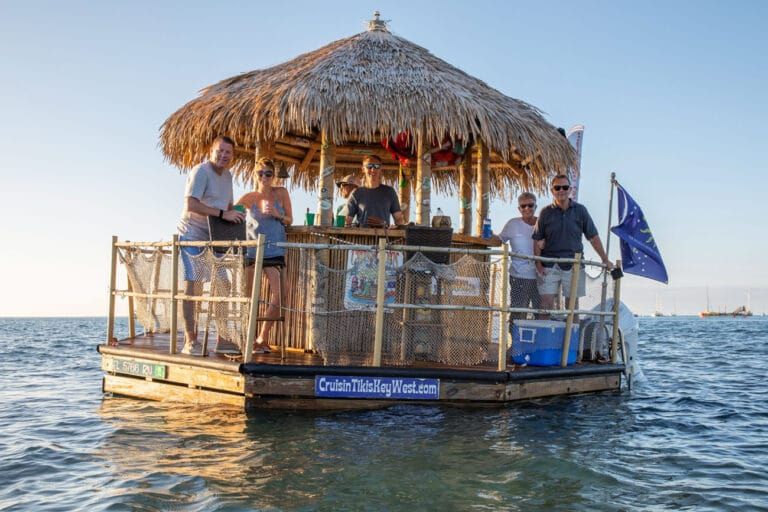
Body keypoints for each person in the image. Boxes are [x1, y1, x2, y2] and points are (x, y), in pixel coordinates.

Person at [177, 136, 245, 355]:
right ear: (211, 151)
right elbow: (191, 203)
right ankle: (191, 341)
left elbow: (229, 206)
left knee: (223, 284)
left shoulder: (228, 176)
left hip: (215, 236)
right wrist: (224, 213)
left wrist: (237, 219)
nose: (224, 155)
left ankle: (223, 338)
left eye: (228, 152)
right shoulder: (200, 171)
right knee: (194, 284)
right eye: (220, 151)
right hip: (192, 234)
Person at [533, 174, 613, 316]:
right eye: (557, 187)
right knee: (546, 304)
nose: (561, 190)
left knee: (572, 306)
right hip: (549, 265)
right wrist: (538, 264)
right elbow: (536, 239)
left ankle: (572, 338)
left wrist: (605, 259)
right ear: (552, 191)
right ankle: (544, 337)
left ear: (570, 190)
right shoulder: (545, 213)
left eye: (565, 187)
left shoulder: (581, 210)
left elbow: (593, 237)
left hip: (574, 264)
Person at [236, 157, 293, 354]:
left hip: (274, 251)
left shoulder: (281, 193)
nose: (264, 177)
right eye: (260, 173)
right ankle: (248, 338)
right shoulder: (248, 198)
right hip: (252, 252)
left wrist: (278, 214)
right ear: (255, 175)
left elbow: (289, 220)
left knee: (281, 294)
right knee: (249, 297)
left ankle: (263, 336)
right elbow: (231, 217)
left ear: (273, 175)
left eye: (268, 173)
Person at [496, 192, 541, 319]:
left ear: (535, 206)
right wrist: (486, 235)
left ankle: (538, 339)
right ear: (519, 209)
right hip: (519, 275)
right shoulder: (512, 224)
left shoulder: (543, 223)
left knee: (541, 313)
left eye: (530, 205)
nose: (527, 208)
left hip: (541, 276)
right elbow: (500, 240)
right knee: (518, 311)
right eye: (523, 206)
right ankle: (515, 338)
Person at [345, 155, 405, 228]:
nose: (373, 169)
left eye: (376, 166)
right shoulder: (356, 193)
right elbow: (347, 221)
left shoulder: (389, 192)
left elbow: (398, 219)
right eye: (369, 166)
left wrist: (386, 225)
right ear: (363, 169)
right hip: (361, 237)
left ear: (380, 169)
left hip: (384, 237)